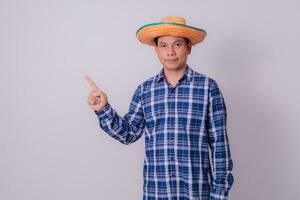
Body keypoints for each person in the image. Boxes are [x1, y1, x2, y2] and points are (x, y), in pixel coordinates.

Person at [86, 16, 234, 200]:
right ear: (156, 50)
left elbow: (220, 145)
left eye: (177, 44)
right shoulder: (144, 90)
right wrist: (103, 109)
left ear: (189, 47)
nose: (170, 51)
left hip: (197, 193)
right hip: (156, 192)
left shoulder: (208, 88)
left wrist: (219, 194)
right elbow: (128, 133)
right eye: (163, 45)